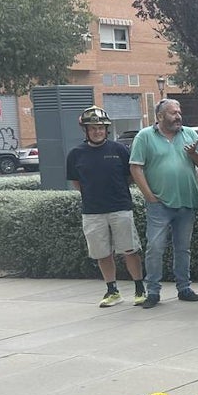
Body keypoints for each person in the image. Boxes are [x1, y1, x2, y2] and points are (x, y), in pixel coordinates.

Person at [129, 98, 198, 309]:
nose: (178, 116)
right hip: (159, 204)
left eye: (179, 112)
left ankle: (184, 288)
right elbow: (136, 168)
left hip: (186, 201)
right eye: (172, 113)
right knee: (155, 247)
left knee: (183, 248)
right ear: (160, 116)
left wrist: (193, 153)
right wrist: (149, 196)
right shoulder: (145, 136)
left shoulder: (189, 134)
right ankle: (152, 291)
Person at [67, 106, 146, 308]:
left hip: (120, 207)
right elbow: (76, 182)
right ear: (85, 130)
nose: (97, 131)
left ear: (106, 129)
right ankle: (112, 290)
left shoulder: (119, 150)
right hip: (93, 211)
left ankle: (139, 288)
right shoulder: (76, 154)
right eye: (93, 128)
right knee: (102, 253)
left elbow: (129, 176)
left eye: (101, 128)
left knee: (130, 249)